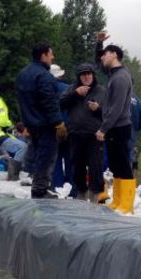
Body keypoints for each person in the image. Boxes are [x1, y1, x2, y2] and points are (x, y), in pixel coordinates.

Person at [17, 43, 68, 198]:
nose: (53, 57)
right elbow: (49, 102)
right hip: (46, 124)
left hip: (31, 123)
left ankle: (38, 187)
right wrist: (58, 123)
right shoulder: (44, 76)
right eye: (51, 54)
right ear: (43, 55)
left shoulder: (23, 74)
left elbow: (21, 101)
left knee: (38, 155)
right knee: (46, 157)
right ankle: (40, 190)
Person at [96, 43, 135, 213]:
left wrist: (103, 128)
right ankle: (118, 201)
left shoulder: (120, 77)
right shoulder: (114, 74)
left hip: (119, 127)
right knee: (116, 166)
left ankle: (126, 205)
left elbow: (117, 108)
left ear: (114, 54)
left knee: (123, 165)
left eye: (104, 54)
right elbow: (100, 65)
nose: (102, 57)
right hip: (114, 127)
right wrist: (99, 44)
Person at [60, 63, 107, 202]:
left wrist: (98, 109)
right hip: (75, 134)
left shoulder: (101, 91)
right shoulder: (72, 89)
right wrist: (76, 94)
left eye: (89, 74)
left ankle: (95, 196)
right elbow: (60, 103)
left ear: (93, 75)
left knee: (95, 167)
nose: (86, 77)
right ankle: (81, 193)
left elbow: (109, 114)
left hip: (95, 135)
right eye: (83, 74)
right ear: (79, 77)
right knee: (77, 166)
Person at [50, 64, 74, 191]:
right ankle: (72, 187)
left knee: (56, 158)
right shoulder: (69, 88)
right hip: (69, 127)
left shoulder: (46, 90)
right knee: (70, 158)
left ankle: (57, 185)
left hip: (53, 128)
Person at [129, 95, 141, 173]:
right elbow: (140, 125)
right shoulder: (139, 102)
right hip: (132, 137)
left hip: (117, 136)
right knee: (129, 163)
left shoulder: (118, 95)